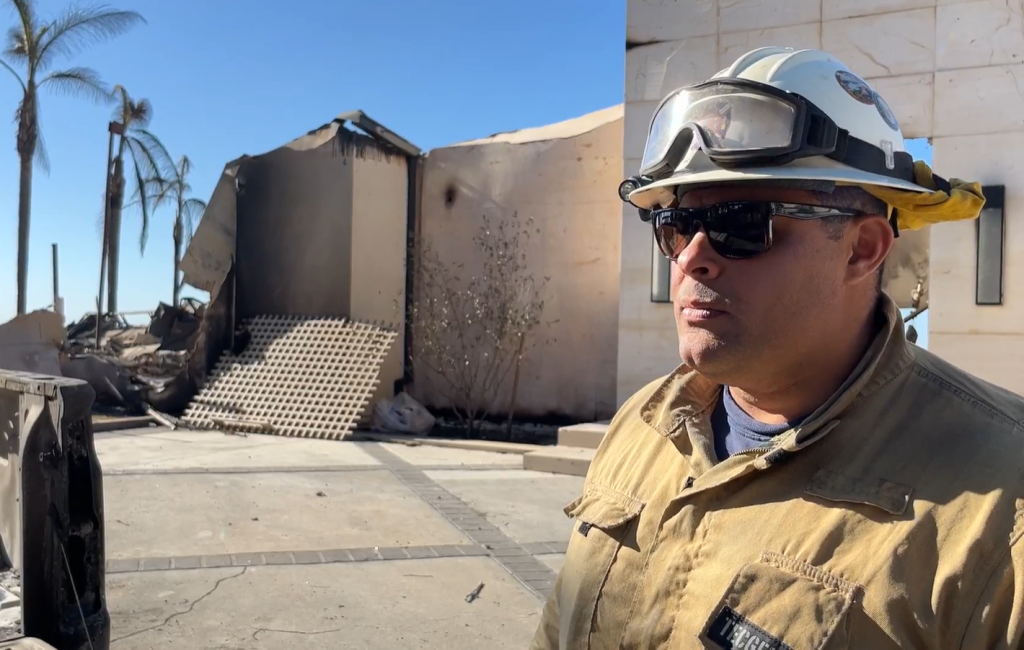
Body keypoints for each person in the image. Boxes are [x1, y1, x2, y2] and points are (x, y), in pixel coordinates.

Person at [530, 47, 1023, 649]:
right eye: (676, 225)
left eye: (742, 224)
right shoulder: (643, 426)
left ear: (862, 248)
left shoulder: (1002, 508)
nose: (690, 259)